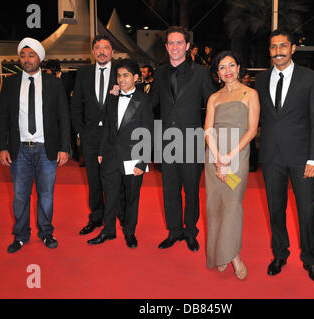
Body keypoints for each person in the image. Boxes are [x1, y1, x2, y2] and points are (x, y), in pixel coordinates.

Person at [255, 29, 314, 284]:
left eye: (283, 46)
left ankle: (310, 259)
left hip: (302, 159)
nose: (278, 51)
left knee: (307, 211)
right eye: (273, 47)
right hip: (272, 157)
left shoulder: (310, 78)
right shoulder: (261, 80)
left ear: (293, 48)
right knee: (276, 210)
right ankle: (279, 254)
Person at [0, 37, 70, 253]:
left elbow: (64, 117)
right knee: (20, 196)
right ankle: (20, 235)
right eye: (23, 55)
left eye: (31, 55)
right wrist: (1, 146)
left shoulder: (54, 83)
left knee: (46, 196)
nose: (26, 59)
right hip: (19, 150)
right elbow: (2, 117)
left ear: (40, 58)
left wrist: (65, 147)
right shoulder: (10, 83)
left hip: (47, 149)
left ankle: (46, 233)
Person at [150, 26, 215, 252]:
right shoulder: (159, 73)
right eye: (171, 43)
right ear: (166, 47)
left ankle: (190, 232)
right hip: (167, 140)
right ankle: (174, 231)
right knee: (169, 190)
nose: (175, 47)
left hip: (192, 141)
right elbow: (150, 105)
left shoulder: (201, 73)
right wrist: (125, 96)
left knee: (191, 190)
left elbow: (213, 104)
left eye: (180, 43)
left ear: (187, 46)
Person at [204, 51, 259, 280]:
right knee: (215, 206)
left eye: (231, 65)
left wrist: (229, 157)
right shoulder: (214, 98)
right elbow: (208, 129)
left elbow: (252, 130)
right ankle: (220, 253)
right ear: (217, 73)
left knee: (233, 205)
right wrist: (217, 157)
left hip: (236, 159)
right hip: (214, 158)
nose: (227, 71)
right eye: (222, 67)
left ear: (238, 68)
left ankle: (234, 255)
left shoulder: (250, 93)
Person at [89, 59, 153, 248]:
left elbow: (148, 131)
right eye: (118, 75)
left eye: (126, 75)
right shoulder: (113, 97)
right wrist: (101, 150)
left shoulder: (144, 100)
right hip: (110, 155)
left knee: (132, 196)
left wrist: (142, 162)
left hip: (133, 156)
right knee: (110, 195)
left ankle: (130, 232)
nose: (121, 79)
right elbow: (107, 126)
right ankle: (108, 230)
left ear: (135, 77)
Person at [70, 35, 124, 237]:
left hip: (114, 134)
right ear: (92, 52)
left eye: (106, 47)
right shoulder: (83, 74)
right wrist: (80, 132)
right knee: (93, 178)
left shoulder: (121, 73)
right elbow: (75, 106)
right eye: (98, 48)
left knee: (115, 177)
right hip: (90, 136)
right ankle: (96, 217)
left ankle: (121, 214)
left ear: (112, 52)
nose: (101, 51)